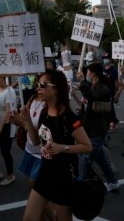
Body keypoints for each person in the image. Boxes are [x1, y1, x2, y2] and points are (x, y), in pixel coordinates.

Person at [21, 69, 92, 221]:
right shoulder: (44, 113)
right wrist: (26, 118)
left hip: (64, 177)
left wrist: (63, 148)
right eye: (38, 85)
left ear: (56, 89)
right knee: (29, 218)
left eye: (43, 85)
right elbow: (35, 141)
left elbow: (87, 146)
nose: (38, 88)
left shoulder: (69, 118)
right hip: (45, 172)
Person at [77, 63, 120, 192]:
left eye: (88, 71)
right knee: (101, 160)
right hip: (91, 128)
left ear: (93, 73)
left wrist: (82, 81)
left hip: (98, 129)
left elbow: (91, 97)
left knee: (86, 160)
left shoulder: (102, 88)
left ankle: (79, 187)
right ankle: (113, 182)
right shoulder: (95, 86)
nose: (87, 74)